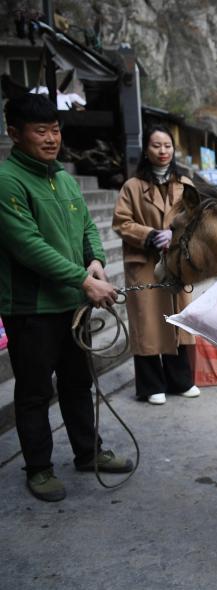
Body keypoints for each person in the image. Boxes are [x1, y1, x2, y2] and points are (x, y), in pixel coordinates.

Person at [0, 94, 134, 502]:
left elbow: (87, 226)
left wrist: (94, 259)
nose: (51, 139)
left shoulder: (62, 176)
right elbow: (27, 245)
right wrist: (83, 279)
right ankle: (38, 467)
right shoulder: (7, 180)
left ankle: (87, 452)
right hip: (32, 308)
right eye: (40, 131)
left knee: (78, 384)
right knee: (35, 391)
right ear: (14, 134)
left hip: (72, 304)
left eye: (55, 130)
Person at [113, 125, 199, 405]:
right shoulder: (133, 187)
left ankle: (181, 381)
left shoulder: (185, 184)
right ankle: (151, 386)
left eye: (167, 146)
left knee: (178, 321)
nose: (163, 151)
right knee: (148, 324)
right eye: (156, 146)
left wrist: (177, 234)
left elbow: (198, 218)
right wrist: (150, 235)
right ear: (146, 150)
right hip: (145, 263)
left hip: (176, 263)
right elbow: (122, 222)